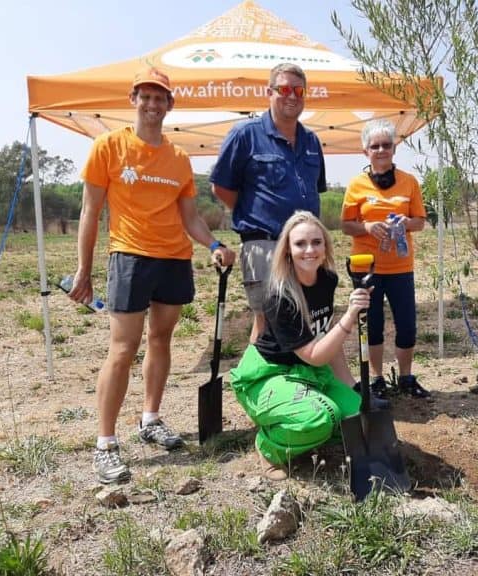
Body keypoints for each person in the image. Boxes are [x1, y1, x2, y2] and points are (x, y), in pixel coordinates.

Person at [68, 67, 236, 484]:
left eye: (160, 97)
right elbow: (90, 212)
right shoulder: (108, 147)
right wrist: (84, 270)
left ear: (169, 105)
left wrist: (214, 246)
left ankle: (150, 418)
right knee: (123, 348)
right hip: (129, 257)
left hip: (174, 259)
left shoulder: (179, 158)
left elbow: (191, 218)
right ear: (134, 99)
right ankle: (105, 443)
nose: (152, 103)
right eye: (146, 96)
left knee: (161, 339)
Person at [229, 211, 370, 480]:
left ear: (326, 245)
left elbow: (326, 335)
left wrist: (352, 385)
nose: (309, 250)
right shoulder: (279, 296)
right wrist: (350, 316)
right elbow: (316, 355)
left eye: (317, 242)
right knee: (319, 419)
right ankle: (268, 447)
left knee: (354, 411)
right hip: (269, 374)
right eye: (300, 244)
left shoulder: (327, 280)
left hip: (307, 372)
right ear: (287, 251)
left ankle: (297, 417)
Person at [211, 63, 326, 344]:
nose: (292, 96)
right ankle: (256, 385)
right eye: (284, 89)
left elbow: (315, 190)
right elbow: (221, 187)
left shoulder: (311, 141)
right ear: (269, 92)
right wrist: (253, 211)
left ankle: (295, 385)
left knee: (306, 320)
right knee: (266, 324)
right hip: (265, 245)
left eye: (298, 90)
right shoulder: (245, 135)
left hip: (305, 248)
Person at [341, 119, 430, 400]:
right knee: (373, 325)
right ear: (365, 151)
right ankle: (377, 379)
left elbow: (420, 222)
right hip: (366, 267)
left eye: (386, 145)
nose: (381, 150)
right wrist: (366, 227)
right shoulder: (356, 185)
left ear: (394, 148)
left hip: (401, 267)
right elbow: (345, 225)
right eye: (374, 146)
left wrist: (405, 222)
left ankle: (405, 377)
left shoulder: (409, 181)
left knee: (407, 325)